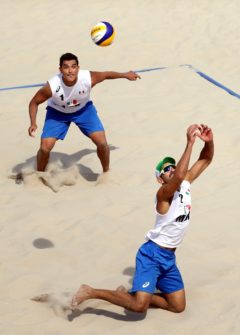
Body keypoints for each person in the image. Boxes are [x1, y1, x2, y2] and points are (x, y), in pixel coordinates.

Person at [71, 123, 214, 313]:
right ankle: (90, 291)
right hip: (152, 255)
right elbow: (179, 176)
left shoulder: (185, 183)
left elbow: (206, 159)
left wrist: (209, 142)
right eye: (166, 169)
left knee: (178, 306)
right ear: (160, 179)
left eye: (173, 166)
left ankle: (127, 295)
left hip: (169, 257)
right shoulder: (163, 194)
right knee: (139, 306)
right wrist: (189, 144)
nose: (171, 169)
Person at [28, 52, 140, 172]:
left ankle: (106, 172)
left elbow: (107, 74)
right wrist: (33, 123)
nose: (70, 71)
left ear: (78, 68)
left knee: (102, 144)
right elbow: (34, 102)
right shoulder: (52, 86)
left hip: (83, 111)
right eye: (66, 67)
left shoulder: (88, 77)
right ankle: (40, 174)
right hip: (57, 113)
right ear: (60, 69)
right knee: (45, 148)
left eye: (73, 66)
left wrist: (125, 75)